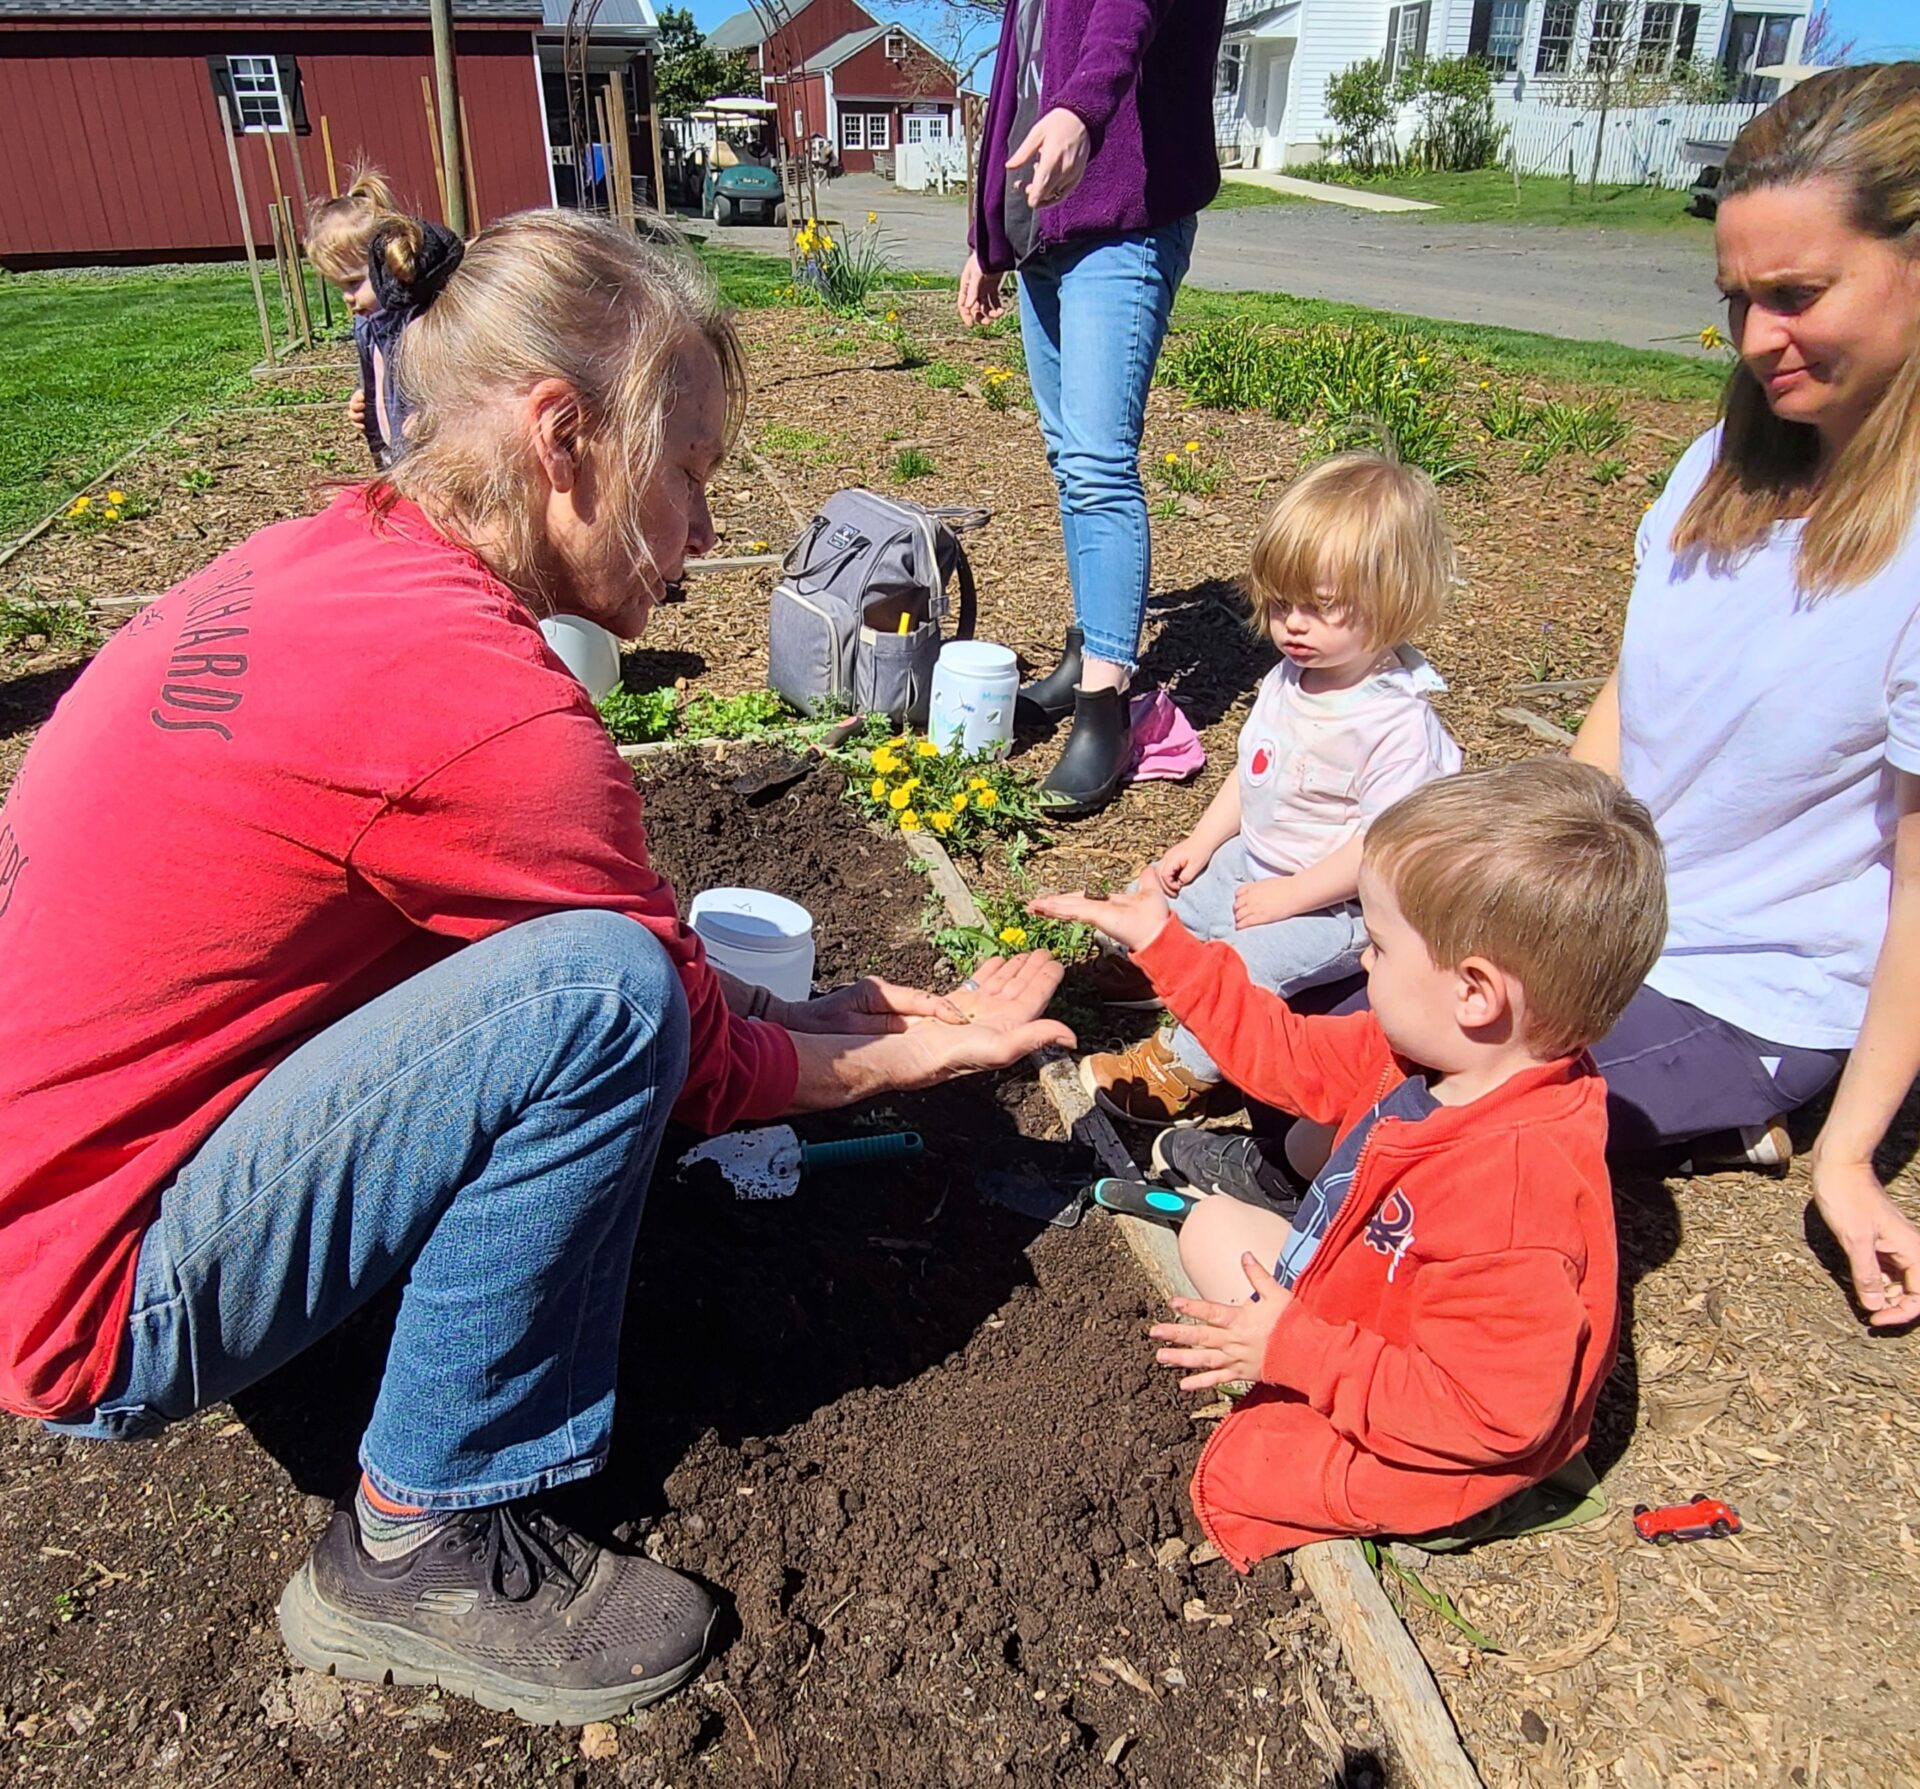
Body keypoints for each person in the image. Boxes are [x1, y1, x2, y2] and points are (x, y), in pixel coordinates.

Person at [0, 211, 1072, 1726]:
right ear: (564, 435)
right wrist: (911, 1049)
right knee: (598, 997)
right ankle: (420, 1537)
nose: (706, 526)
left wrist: (777, 1008)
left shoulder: (331, 561)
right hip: (96, 1296)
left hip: (57, 1179)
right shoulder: (489, 714)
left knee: (593, 970)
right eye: (687, 468)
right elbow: (661, 1042)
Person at [1033, 761, 1667, 1563]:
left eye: (1380, 944)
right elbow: (1286, 1052)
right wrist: (1168, 944)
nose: (1363, 961)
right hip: (1385, 1318)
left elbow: (1496, 1416)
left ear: (1476, 992)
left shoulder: (1512, 1191)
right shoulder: (1442, 1055)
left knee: (1270, 1465)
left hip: (1451, 1433)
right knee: (1209, 1228)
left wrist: (1295, 1350)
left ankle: (1456, 1512)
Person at [1564, 63, 1920, 1329]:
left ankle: (1763, 1108)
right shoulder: (1722, 460)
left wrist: (1852, 1154)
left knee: (1388, 1124)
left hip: (1754, 977)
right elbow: (1632, 694)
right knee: (1315, 1018)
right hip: (1625, 918)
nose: (1759, 337)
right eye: (1738, 301)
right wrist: (1518, 878)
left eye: (1797, 295)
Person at [1075, 453, 1463, 1125]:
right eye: (1281, 603)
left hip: (1341, 904)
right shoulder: (1293, 677)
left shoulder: (1393, 722)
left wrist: (1293, 895)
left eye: (1319, 607)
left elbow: (1382, 849)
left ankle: (1184, 1066)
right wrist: (1201, 841)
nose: (1292, 625)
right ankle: (1160, 976)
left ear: (1393, 600)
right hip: (1263, 857)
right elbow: (1254, 767)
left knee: (1245, 964)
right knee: (1178, 899)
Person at [959, 0, 1228, 816]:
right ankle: (1089, 650)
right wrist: (987, 238)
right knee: (1068, 454)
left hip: (1124, 218)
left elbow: (1126, 13)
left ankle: (1106, 708)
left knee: (1099, 463)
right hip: (1046, 228)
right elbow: (1018, 75)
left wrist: (1083, 108)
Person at [305, 168, 460, 466]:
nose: (348, 298)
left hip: (431, 460)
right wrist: (365, 401)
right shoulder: (368, 324)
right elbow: (379, 376)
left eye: (353, 283)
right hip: (396, 459)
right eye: (339, 287)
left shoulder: (419, 319)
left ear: (384, 265)